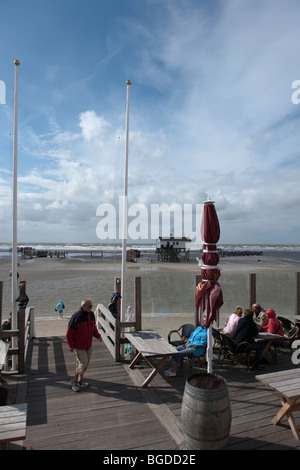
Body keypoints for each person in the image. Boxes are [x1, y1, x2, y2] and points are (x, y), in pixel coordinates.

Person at [66, 299, 102, 392]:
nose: (91, 308)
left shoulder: (91, 315)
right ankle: (74, 381)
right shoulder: (76, 316)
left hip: (88, 345)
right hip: (79, 346)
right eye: (89, 306)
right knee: (83, 364)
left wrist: (98, 336)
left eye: (92, 306)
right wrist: (71, 345)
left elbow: (93, 328)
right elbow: (69, 333)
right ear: (83, 306)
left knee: (85, 364)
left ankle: (80, 380)